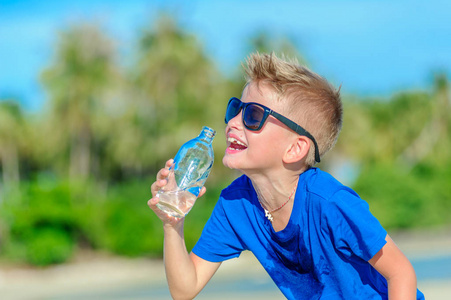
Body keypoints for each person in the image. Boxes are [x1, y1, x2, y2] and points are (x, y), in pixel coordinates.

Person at [148, 52, 424, 299]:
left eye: (253, 116)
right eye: (235, 109)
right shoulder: (236, 204)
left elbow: (401, 274)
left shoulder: (329, 202)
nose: (232, 123)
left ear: (295, 148)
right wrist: (173, 223)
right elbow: (185, 288)